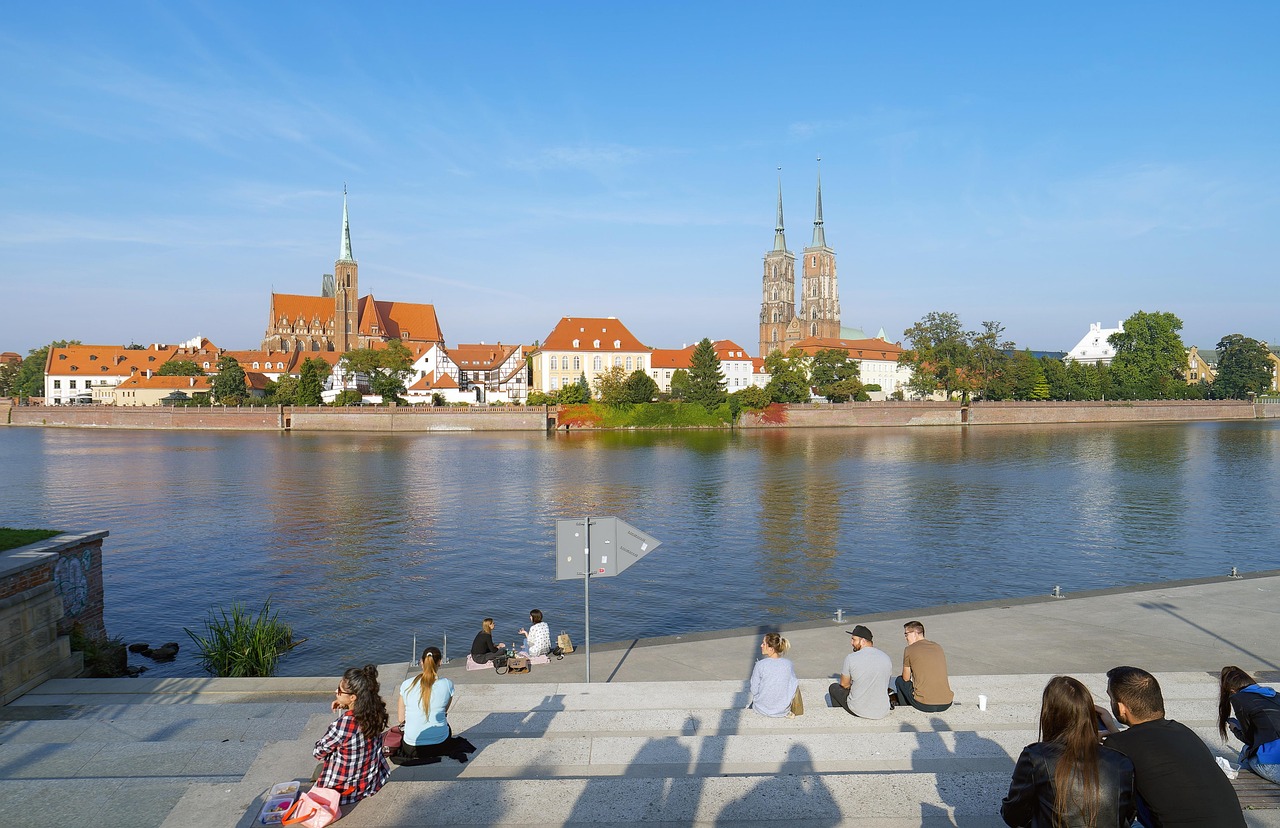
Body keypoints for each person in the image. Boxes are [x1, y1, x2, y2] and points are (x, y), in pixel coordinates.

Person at [1098, 665, 1244, 827]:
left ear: (1121, 707)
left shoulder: (1119, 745)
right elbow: (1137, 744)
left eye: (1111, 697)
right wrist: (1111, 727)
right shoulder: (1182, 731)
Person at [1001, 675, 1136, 828]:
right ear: (1090, 716)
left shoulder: (1036, 756)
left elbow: (1013, 816)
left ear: (1049, 715)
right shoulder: (1121, 762)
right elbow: (1127, 816)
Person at [313, 664, 391, 805]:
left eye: (339, 691)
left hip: (346, 790)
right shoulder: (376, 712)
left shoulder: (344, 725)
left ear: (353, 697)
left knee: (318, 770)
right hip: (370, 781)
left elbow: (318, 752)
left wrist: (341, 718)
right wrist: (346, 705)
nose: (336, 692)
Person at [394, 646, 468, 764]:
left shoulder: (406, 684)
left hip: (412, 748)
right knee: (444, 724)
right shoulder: (447, 684)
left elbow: (401, 719)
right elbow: (444, 712)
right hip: (440, 745)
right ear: (440, 663)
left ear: (421, 662)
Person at [1219, 665, 1280, 785]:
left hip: (1272, 765)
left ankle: (1240, 785)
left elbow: (1249, 739)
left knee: (1247, 750)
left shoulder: (1239, 698)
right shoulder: (1274, 695)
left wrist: (1235, 728)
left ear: (1232, 690)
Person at [828, 625, 892, 719]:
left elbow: (844, 684)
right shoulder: (886, 657)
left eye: (854, 639)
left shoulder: (851, 658)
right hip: (883, 710)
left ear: (862, 641)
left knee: (834, 687)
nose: (851, 643)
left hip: (859, 710)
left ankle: (839, 717)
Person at [894, 620, 954, 713]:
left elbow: (906, 678)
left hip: (924, 704)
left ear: (915, 633)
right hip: (946, 703)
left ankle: (904, 711)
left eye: (906, 634)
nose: (905, 637)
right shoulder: (938, 647)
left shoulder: (909, 649)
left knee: (899, 680)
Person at [749, 632, 800, 718]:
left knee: (752, 703)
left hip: (762, 709)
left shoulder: (760, 665)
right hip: (782, 710)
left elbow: (754, 690)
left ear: (771, 649)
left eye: (764, 644)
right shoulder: (788, 664)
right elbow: (793, 685)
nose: (761, 645)